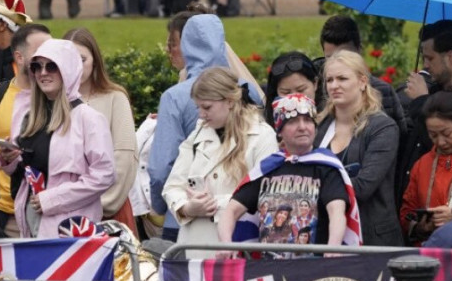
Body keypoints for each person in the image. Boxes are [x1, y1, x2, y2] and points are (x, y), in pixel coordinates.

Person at [148, 14, 261, 241]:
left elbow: (161, 167)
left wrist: (160, 207)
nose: (202, 113)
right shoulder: (248, 90)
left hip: (186, 218)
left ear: (186, 46)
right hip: (244, 221)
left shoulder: (174, 96)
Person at [217, 94, 360, 258]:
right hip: (268, 268)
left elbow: (337, 211)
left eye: (308, 120)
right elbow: (231, 211)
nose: (302, 127)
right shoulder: (267, 168)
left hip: (315, 267)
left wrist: (333, 248)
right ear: (280, 132)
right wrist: (225, 243)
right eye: (293, 122)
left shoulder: (326, 167)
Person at [0, 39, 115, 239]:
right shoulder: (30, 115)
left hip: (70, 229)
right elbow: (29, 169)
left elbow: (104, 175)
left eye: (52, 66)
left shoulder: (89, 118)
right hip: (31, 220)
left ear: (67, 69)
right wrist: (10, 159)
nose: (43, 72)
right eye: (37, 66)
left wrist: (53, 199)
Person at [162, 67, 278, 257]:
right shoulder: (197, 135)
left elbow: (266, 194)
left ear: (230, 101)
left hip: (240, 247)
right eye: (198, 107)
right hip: (195, 247)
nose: (201, 114)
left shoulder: (262, 135)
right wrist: (187, 208)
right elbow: (172, 187)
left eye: (207, 107)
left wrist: (213, 204)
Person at [0, 24, 52, 238]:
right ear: (19, 57)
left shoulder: (59, 98)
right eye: (40, 52)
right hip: (1, 210)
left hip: (50, 208)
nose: (48, 58)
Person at [315, 50, 403, 246]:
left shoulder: (383, 127)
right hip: (324, 234)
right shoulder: (319, 126)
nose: (334, 86)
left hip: (371, 238)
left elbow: (363, 187)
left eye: (342, 79)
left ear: (363, 82)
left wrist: (313, 189)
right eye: (329, 80)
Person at [399, 20, 452, 201]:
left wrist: (421, 102)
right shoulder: (433, 90)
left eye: (430, 58)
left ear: (451, 57)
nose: (425, 65)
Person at [64, 28, 138, 233]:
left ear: (95, 60)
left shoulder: (115, 98)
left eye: (82, 60)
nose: (76, 67)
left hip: (108, 213)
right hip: (63, 213)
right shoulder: (52, 101)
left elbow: (124, 159)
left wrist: (99, 205)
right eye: (69, 60)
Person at [400, 92, 452, 244]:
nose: (440, 142)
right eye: (433, 135)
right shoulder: (423, 164)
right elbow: (407, 213)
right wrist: (421, 227)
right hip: (432, 251)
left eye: (447, 133)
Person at [318, 14, 406, 134]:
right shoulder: (314, 89)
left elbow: (400, 136)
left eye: (347, 57)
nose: (338, 63)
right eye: (330, 57)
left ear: (359, 50)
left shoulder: (383, 92)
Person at [264, 51, 325, 127]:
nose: (294, 98)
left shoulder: (332, 119)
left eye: (301, 90)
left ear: (315, 83)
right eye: (286, 92)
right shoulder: (265, 127)